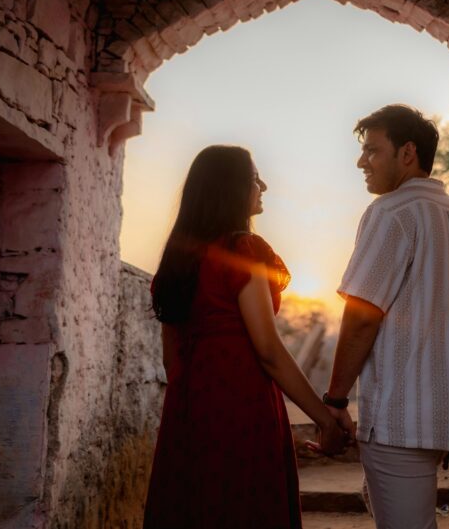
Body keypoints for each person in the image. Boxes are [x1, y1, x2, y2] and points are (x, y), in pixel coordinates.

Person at [143, 145, 348, 529]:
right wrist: (324, 418)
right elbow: (268, 351)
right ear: (232, 189)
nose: (263, 185)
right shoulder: (244, 250)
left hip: (187, 409)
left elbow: (172, 361)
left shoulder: (177, 261)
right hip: (242, 405)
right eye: (255, 179)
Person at [323, 105, 449, 529]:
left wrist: (336, 401)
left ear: (407, 152)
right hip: (445, 412)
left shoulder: (392, 213)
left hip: (400, 417)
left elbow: (362, 315)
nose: (362, 162)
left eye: (372, 151)